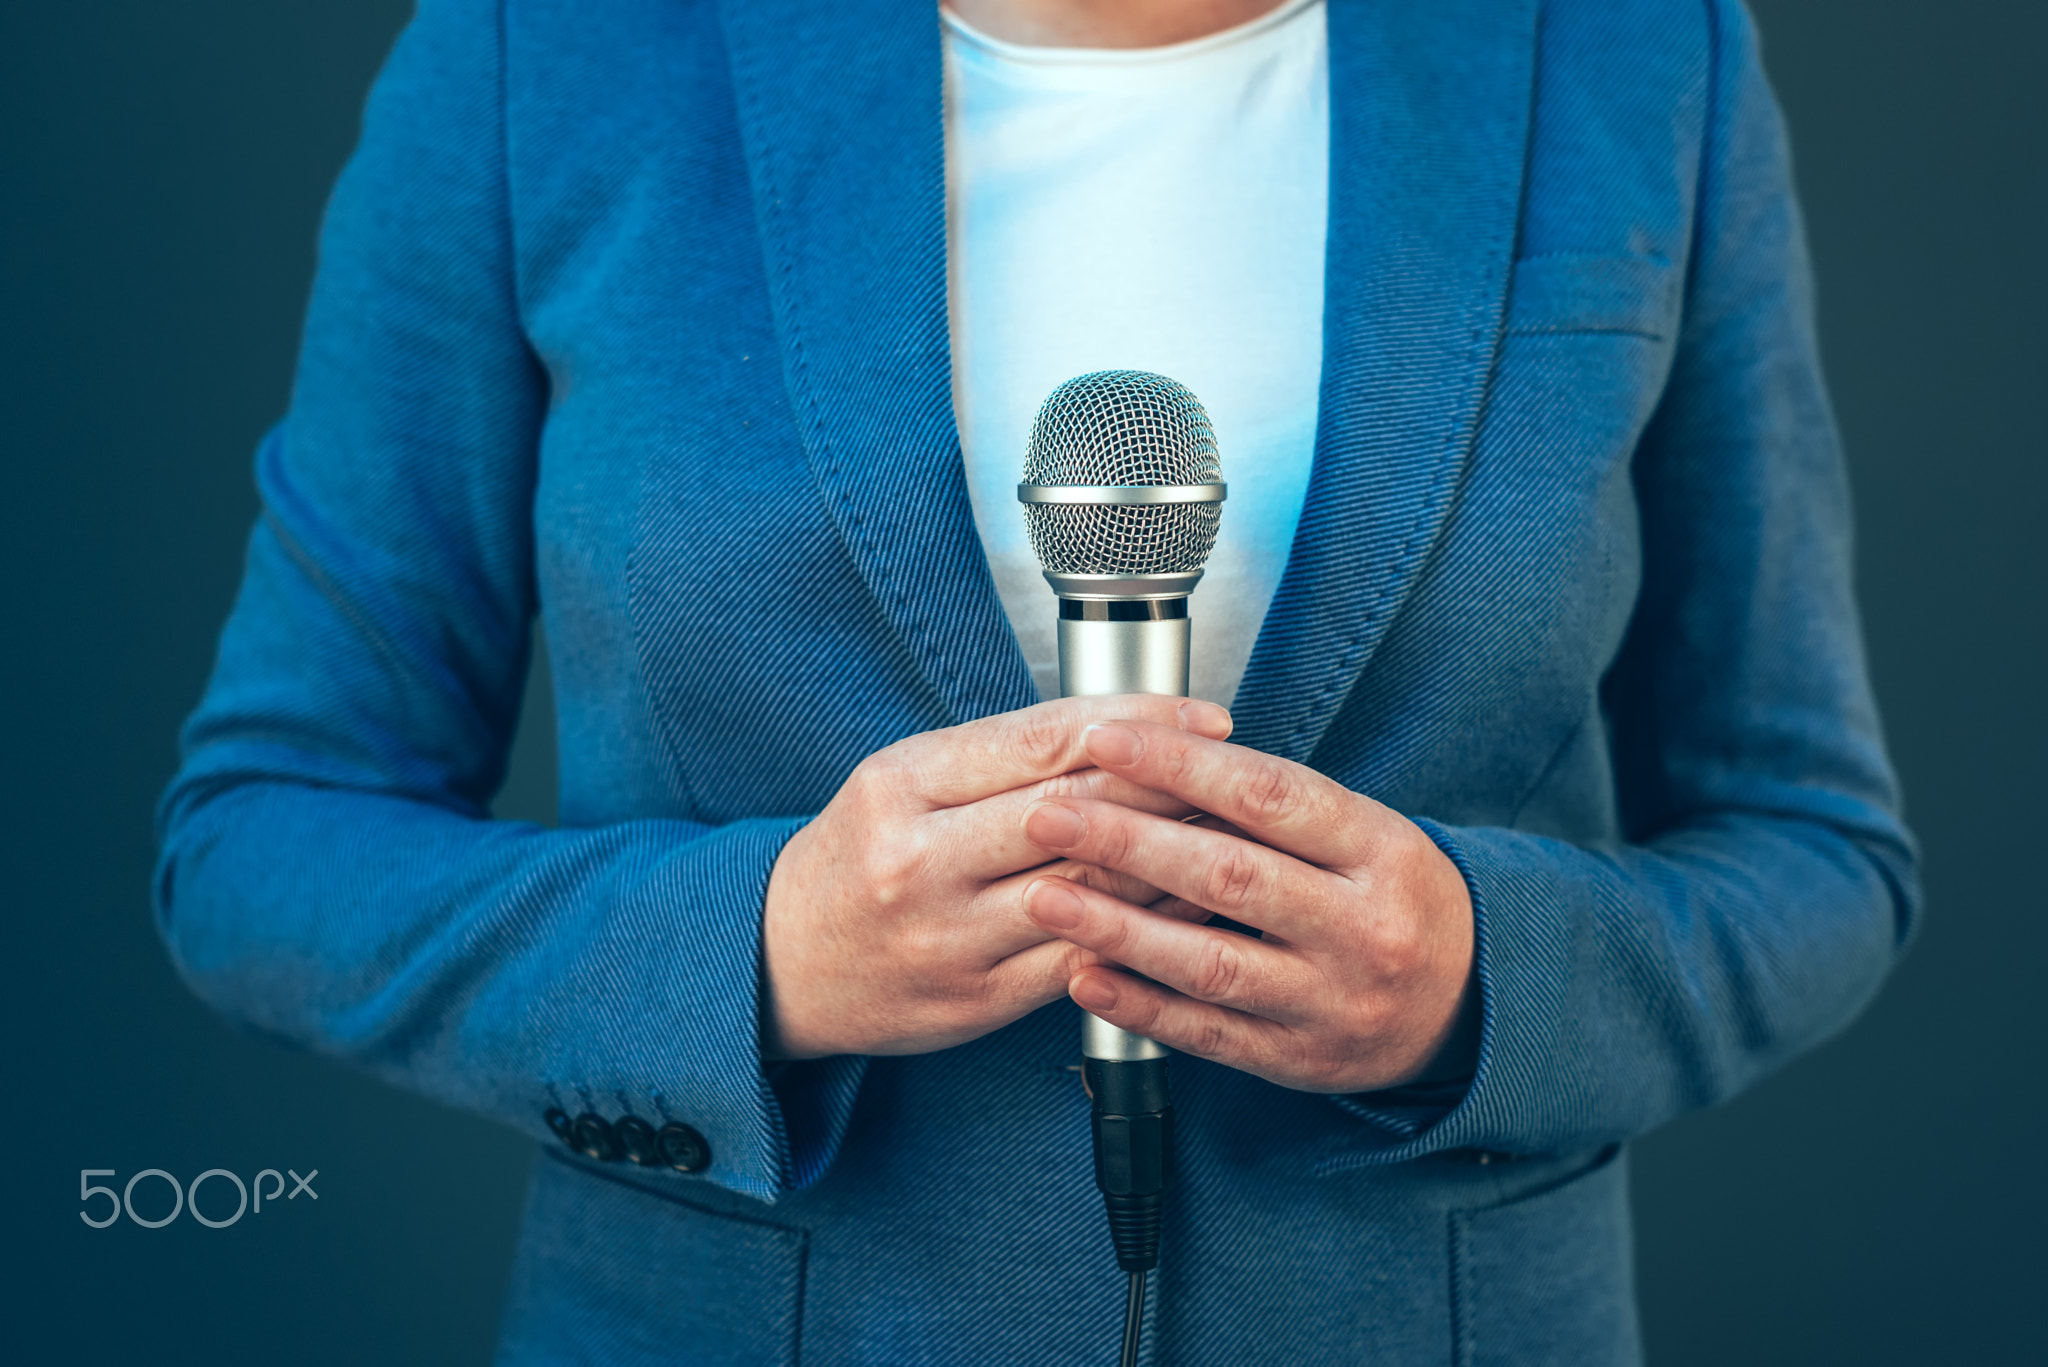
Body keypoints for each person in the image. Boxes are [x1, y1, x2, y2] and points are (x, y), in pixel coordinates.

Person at [155, 0, 1917, 1360]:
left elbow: (1817, 848)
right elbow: (257, 846)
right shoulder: (552, 54)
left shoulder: (1632, 53)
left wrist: (1481, 979)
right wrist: (753, 948)